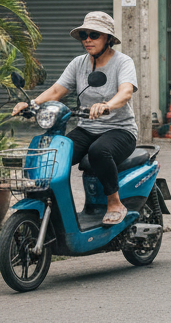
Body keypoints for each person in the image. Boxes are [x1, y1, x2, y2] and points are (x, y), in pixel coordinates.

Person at [13, 12, 137, 225]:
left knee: (99, 151)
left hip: (119, 129)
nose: (87, 39)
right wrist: (31, 104)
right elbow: (56, 91)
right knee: (53, 153)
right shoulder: (78, 63)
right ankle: (51, 206)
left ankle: (115, 202)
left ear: (108, 38)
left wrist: (107, 105)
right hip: (86, 128)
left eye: (94, 35)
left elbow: (125, 92)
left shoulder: (123, 62)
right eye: (84, 35)